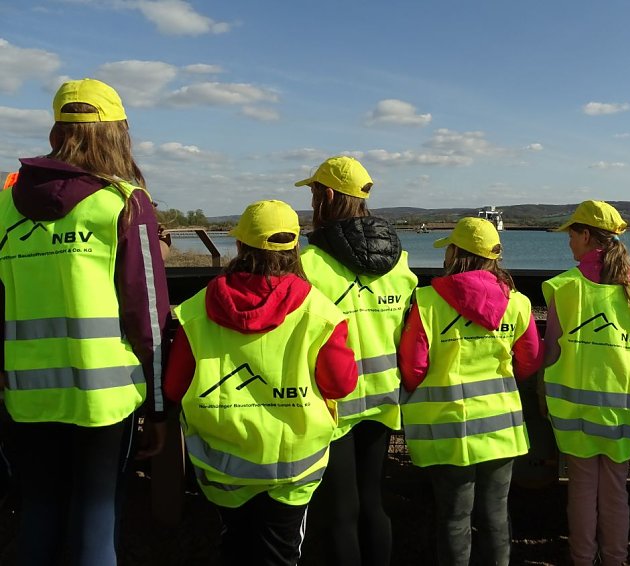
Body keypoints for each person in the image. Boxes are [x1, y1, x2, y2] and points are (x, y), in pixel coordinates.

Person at [0, 78, 170, 565]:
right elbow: (148, 316)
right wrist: (158, 408)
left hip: (26, 395)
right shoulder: (123, 202)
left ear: (57, 129)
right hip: (104, 399)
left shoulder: (5, 206)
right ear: (117, 132)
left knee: (39, 513)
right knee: (95, 521)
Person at [162, 199, 358, 566]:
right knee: (281, 553)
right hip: (293, 470)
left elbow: (174, 388)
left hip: (222, 467)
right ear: (295, 247)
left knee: (233, 546)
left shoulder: (196, 309)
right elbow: (341, 385)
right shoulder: (321, 312)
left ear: (239, 245)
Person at [398, 217, 543, 566]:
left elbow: (414, 367)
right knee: (496, 517)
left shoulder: (427, 301)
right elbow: (530, 360)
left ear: (454, 253)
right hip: (500, 430)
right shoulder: (518, 303)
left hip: (447, 431)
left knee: (453, 519)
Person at [295, 156, 418, 565]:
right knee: (372, 502)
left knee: (339, 513)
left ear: (327, 195)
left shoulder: (309, 264)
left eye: (314, 192)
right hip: (384, 396)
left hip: (332, 402)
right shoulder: (399, 262)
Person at [541, 200, 630, 566]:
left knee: (581, 489)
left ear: (585, 235)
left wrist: (541, 392)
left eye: (571, 235)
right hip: (624, 408)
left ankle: (583, 559)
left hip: (575, 411)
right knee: (615, 491)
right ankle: (616, 559)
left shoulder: (566, 287)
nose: (568, 242)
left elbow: (551, 352)